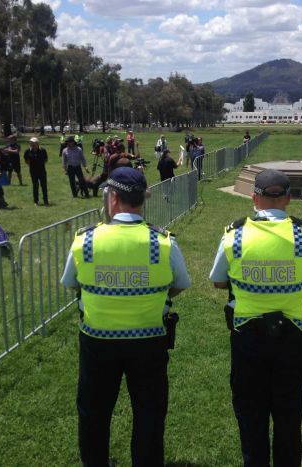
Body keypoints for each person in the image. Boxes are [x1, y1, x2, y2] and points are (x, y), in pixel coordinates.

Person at [60, 167, 191, 466]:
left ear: (114, 198)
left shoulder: (86, 240)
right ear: (142, 199)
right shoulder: (163, 241)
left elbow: (71, 284)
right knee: (149, 412)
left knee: (94, 412)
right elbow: (181, 284)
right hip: (149, 341)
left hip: (97, 340)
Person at [209, 169, 302, 467]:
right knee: (289, 416)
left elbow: (217, 280)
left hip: (247, 335)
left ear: (254, 197)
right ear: (288, 199)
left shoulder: (235, 233)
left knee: (251, 415)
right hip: (292, 336)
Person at [24, 137, 49, 206]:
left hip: (42, 170)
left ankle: (46, 201)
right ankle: (36, 201)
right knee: (35, 185)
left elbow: (46, 159)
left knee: (44, 185)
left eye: (34, 143)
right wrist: (31, 165)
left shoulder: (42, 150)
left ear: (38, 143)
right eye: (31, 143)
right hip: (33, 171)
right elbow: (26, 160)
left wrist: (40, 164)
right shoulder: (27, 151)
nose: (33, 144)